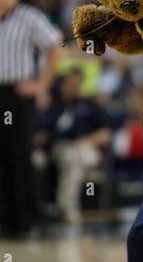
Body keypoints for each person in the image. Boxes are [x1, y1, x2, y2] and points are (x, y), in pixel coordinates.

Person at [0, 0, 62, 237]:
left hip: (18, 94)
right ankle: (6, 220)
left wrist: (42, 84)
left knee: (21, 155)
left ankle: (30, 220)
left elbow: (56, 46)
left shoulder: (29, 17)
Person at [36, 69, 111, 223]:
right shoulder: (55, 104)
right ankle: (65, 208)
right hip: (61, 148)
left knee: (76, 159)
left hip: (86, 147)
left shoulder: (90, 105)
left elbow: (106, 134)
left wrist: (88, 140)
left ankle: (65, 207)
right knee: (72, 160)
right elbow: (42, 132)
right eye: (71, 83)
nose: (74, 87)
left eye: (78, 84)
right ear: (64, 85)